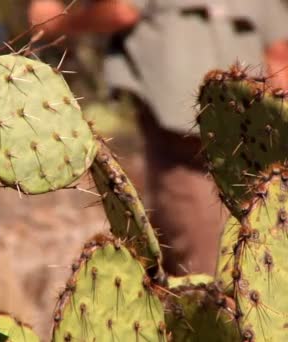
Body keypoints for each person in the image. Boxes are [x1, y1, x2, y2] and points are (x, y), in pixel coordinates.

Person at [28, 0, 288, 275]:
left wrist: (57, 22)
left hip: (195, 143)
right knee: (245, 263)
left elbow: (121, 11)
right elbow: (279, 56)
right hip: (243, 141)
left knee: (208, 273)